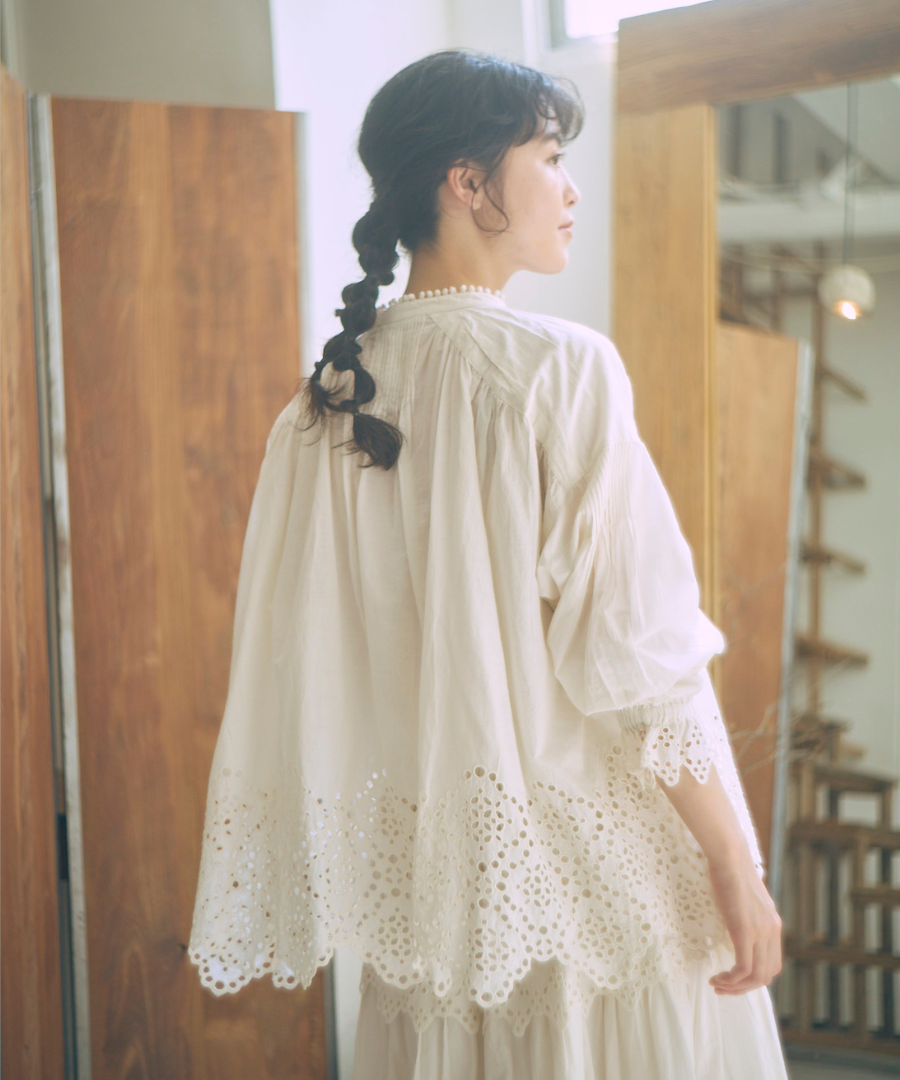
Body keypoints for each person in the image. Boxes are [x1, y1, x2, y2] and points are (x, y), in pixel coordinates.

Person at [188, 48, 789, 1079]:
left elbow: (308, 671)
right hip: (604, 902)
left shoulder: (321, 407)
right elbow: (638, 658)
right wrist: (734, 861)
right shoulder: (559, 369)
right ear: (467, 183)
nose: (569, 188)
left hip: (439, 912)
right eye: (549, 157)